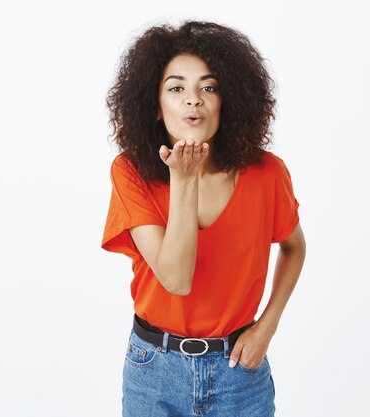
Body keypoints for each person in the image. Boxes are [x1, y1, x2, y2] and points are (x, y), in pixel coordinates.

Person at [101, 21, 306, 417]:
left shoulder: (267, 173)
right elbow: (176, 279)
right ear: (155, 107)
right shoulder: (130, 173)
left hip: (239, 373)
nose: (193, 100)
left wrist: (268, 324)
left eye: (208, 88)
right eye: (176, 88)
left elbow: (294, 245)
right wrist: (184, 179)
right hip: (153, 371)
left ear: (227, 101)